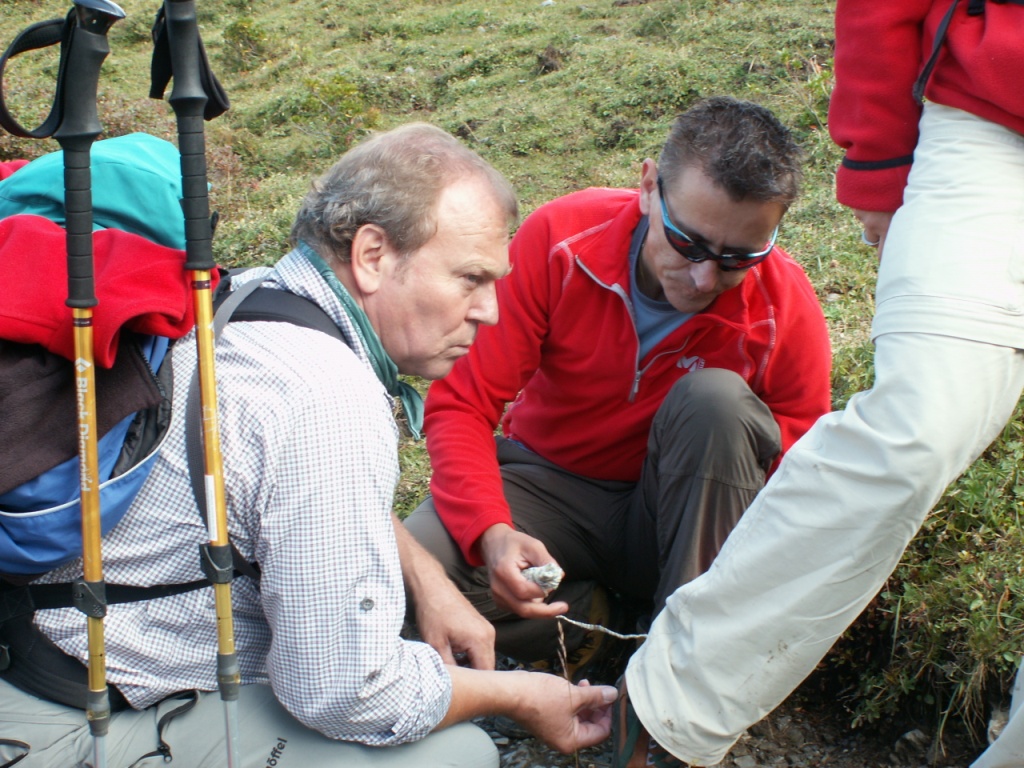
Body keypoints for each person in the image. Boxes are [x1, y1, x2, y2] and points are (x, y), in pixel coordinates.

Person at [0, 123, 617, 768]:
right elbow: (347, 692)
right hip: (67, 720)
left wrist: (428, 579)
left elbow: (264, 474)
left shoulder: (246, 294)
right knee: (455, 756)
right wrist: (518, 695)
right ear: (373, 255)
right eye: (470, 278)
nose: (490, 310)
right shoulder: (324, 397)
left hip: (32, 647)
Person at [616, 3, 1024, 767]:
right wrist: (877, 157)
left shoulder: (784, 301)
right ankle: (672, 704)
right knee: (918, 427)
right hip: (993, 124)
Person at [405, 97, 832, 675]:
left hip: (686, 516)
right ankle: (589, 627)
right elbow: (463, 403)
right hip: (550, 487)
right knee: (410, 575)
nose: (706, 277)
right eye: (689, 243)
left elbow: (803, 463)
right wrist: (492, 533)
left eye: (739, 257)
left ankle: (680, 665)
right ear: (649, 187)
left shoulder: (783, 304)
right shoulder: (562, 238)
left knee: (716, 402)